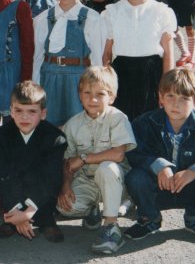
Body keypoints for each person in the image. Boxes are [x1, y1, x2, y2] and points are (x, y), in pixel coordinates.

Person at [125, 68, 195, 242]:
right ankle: (149, 218)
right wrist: (159, 166)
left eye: (184, 98)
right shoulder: (145, 123)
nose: (176, 104)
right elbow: (133, 150)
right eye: (170, 96)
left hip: (189, 188)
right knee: (135, 177)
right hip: (158, 187)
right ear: (161, 97)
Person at [57, 66, 136, 255]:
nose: (93, 100)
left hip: (117, 181)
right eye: (87, 93)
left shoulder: (117, 118)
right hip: (87, 180)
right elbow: (68, 162)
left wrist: (84, 158)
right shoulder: (73, 124)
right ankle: (93, 209)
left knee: (107, 168)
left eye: (100, 94)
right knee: (65, 207)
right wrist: (66, 186)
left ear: (112, 97)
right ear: (80, 95)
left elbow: (118, 154)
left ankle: (111, 227)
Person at [102, 0, 177, 121]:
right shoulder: (112, 12)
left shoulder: (161, 11)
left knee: (150, 120)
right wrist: (106, 83)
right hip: (122, 72)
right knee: (122, 120)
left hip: (152, 73)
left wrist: (166, 88)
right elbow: (106, 53)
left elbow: (168, 54)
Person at [0, 80, 67, 243]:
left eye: (32, 111)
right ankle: (12, 218)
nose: (24, 117)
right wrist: (17, 211)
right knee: (6, 178)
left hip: (41, 196)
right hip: (13, 195)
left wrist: (28, 213)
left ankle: (46, 220)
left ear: (43, 113)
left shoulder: (55, 138)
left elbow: (51, 179)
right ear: (11, 111)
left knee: (48, 180)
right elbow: (0, 175)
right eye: (18, 110)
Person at [33, 0, 105, 126]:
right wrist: (35, 89)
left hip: (79, 79)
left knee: (78, 127)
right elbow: (37, 58)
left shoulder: (92, 19)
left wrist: (95, 90)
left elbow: (97, 60)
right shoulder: (42, 19)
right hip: (49, 77)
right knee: (49, 127)